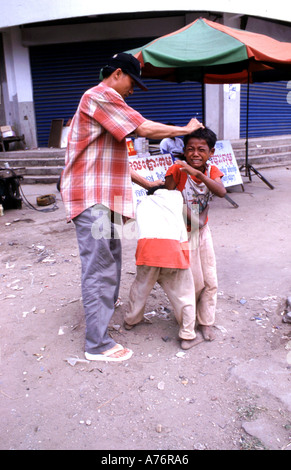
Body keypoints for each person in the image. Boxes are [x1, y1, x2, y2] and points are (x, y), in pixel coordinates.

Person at [61, 52, 203, 362]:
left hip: (104, 198)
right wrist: (184, 130)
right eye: (132, 82)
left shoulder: (104, 110)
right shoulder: (98, 96)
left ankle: (101, 318)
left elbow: (109, 162)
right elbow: (143, 128)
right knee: (99, 268)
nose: (132, 90)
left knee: (110, 262)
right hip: (93, 199)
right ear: (118, 74)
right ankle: (96, 345)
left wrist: (148, 185)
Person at [165, 127, 226, 342]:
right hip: (183, 234)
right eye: (190, 149)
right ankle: (187, 323)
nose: (195, 154)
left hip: (202, 230)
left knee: (211, 280)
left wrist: (198, 174)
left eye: (201, 149)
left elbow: (221, 191)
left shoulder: (212, 171)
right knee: (193, 282)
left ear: (211, 152)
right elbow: (167, 197)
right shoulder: (176, 170)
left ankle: (206, 322)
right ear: (183, 151)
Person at [124, 186, 201, 350]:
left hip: (147, 252)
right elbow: (194, 223)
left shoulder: (142, 203)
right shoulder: (177, 199)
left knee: (140, 289)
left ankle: (131, 320)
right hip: (173, 252)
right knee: (184, 294)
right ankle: (188, 335)